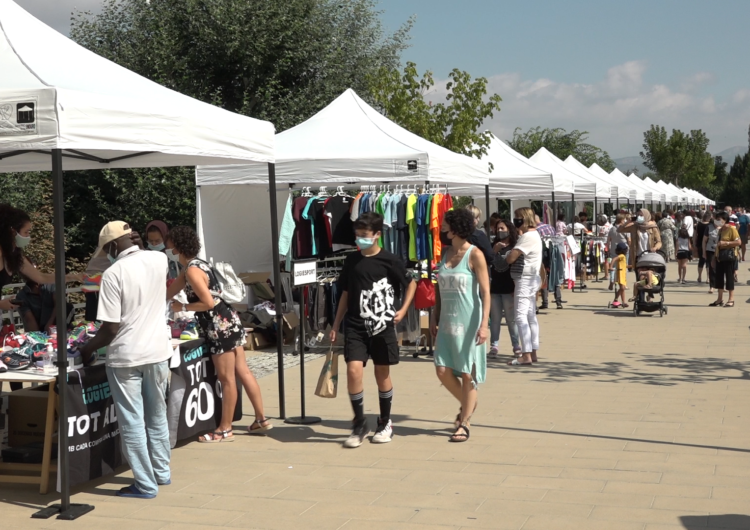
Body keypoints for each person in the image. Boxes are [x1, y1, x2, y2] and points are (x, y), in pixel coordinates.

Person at [78, 221, 172, 499]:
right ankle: (162, 472)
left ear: (110, 246)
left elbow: (110, 328)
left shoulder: (113, 273)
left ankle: (145, 484)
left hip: (126, 356)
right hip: (157, 351)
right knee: (156, 416)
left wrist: (86, 350)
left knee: (132, 421)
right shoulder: (159, 259)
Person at [166, 226, 271, 442]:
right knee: (243, 372)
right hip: (228, 320)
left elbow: (207, 302)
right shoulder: (197, 266)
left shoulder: (192, 271)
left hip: (218, 325)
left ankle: (225, 429)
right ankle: (261, 419)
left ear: (176, 247)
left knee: (227, 379)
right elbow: (168, 291)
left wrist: (182, 308)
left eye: (170, 245)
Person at [330, 212, 416, 448]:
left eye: (365, 236)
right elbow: (346, 293)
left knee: (382, 374)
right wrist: (336, 324)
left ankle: (385, 421)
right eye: (357, 236)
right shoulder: (351, 261)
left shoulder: (390, 260)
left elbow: (412, 284)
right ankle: (359, 423)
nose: (360, 240)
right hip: (356, 325)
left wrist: (403, 310)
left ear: (378, 235)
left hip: (383, 324)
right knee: (353, 370)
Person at [431, 209, 490, 443]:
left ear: (456, 227)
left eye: (445, 224)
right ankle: (469, 403)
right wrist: (435, 317)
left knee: (467, 373)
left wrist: (484, 325)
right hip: (446, 321)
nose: (442, 228)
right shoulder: (444, 254)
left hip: (469, 321)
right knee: (442, 370)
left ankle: (464, 423)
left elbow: (486, 292)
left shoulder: (475, 255)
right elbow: (438, 289)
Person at [0, 203, 79, 313]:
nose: (28, 237)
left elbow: (41, 277)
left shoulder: (14, 254)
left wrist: (74, 277)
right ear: (12, 231)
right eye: (26, 232)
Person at [505, 207, 542, 367]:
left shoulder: (527, 237)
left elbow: (511, 258)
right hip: (532, 278)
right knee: (530, 316)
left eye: (518, 218)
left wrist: (506, 254)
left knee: (520, 317)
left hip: (525, 279)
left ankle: (526, 354)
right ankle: (532, 352)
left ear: (525, 219)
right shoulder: (534, 235)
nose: (515, 221)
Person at [489, 219, 519, 359]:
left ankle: (516, 345)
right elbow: (487, 264)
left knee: (511, 319)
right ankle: (494, 345)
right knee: (495, 319)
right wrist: (493, 251)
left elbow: (505, 266)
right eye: (498, 229)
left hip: (509, 288)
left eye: (502, 228)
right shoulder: (492, 246)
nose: (499, 231)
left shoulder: (515, 247)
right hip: (494, 288)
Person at [618, 208, 662, 279]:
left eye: (641, 215)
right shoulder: (634, 227)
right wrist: (628, 222)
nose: (639, 217)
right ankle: (640, 289)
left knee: (649, 276)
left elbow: (659, 242)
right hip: (638, 256)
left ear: (646, 216)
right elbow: (619, 230)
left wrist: (655, 248)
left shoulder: (653, 227)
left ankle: (648, 286)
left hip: (650, 256)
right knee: (639, 277)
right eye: (638, 215)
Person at [709, 211, 740, 308]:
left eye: (719, 219)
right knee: (719, 278)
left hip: (729, 257)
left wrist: (726, 243)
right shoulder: (720, 230)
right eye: (716, 219)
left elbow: (738, 242)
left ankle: (731, 299)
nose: (717, 221)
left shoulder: (732, 229)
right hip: (720, 257)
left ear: (725, 220)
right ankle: (719, 299)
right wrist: (714, 258)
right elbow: (717, 245)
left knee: (729, 278)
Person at [607, 214, 630, 290]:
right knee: (624, 267)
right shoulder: (625, 229)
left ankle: (612, 282)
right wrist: (630, 246)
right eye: (624, 220)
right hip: (624, 250)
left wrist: (608, 248)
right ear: (621, 220)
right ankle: (623, 283)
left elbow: (608, 240)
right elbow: (629, 240)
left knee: (613, 266)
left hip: (614, 249)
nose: (625, 221)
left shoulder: (612, 229)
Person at [703, 213, 719, 295]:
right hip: (710, 250)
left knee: (721, 268)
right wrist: (704, 252)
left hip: (721, 250)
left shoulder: (724, 228)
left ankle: (720, 286)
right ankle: (712, 286)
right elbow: (704, 240)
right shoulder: (709, 227)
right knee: (712, 268)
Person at [695, 211, 712, 282]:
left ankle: (699, 276)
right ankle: (708, 278)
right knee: (708, 262)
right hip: (709, 244)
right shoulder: (710, 225)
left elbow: (695, 235)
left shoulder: (698, 224)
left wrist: (694, 244)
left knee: (701, 261)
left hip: (700, 244)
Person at [611, 242, 628, 308]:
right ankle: (623, 302)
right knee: (622, 288)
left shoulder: (623, 257)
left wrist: (631, 266)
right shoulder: (622, 256)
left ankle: (615, 300)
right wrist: (611, 266)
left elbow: (624, 265)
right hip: (620, 274)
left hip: (622, 274)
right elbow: (614, 259)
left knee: (621, 288)